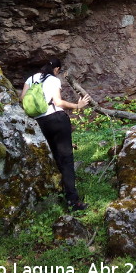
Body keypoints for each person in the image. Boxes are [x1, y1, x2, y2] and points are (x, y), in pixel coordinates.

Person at [21, 58, 91, 211]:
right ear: (57, 69)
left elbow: (22, 100)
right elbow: (58, 102)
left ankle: (58, 191)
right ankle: (73, 201)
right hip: (57, 119)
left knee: (54, 156)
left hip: (40, 123)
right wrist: (77, 106)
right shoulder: (53, 79)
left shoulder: (31, 79)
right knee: (66, 160)